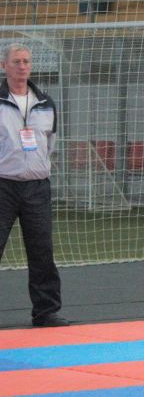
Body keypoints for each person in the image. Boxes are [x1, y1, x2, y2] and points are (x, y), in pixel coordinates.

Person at [0, 43, 68, 327]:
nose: (22, 66)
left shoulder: (45, 103)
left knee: (42, 250)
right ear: (4, 66)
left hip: (37, 187)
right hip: (3, 185)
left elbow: (49, 143)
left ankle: (46, 311)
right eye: (16, 61)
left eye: (26, 61)